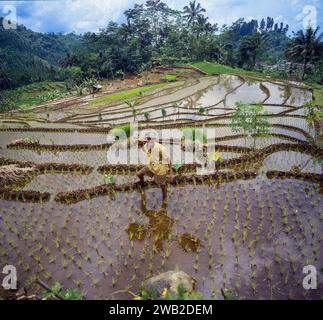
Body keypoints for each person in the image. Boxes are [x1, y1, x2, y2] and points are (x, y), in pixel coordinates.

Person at [137, 133, 174, 203]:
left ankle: (165, 198)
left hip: (160, 169)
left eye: (143, 142)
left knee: (162, 185)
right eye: (142, 142)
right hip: (150, 166)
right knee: (139, 174)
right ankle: (142, 185)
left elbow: (168, 160)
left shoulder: (160, 148)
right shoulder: (146, 146)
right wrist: (141, 144)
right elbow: (144, 149)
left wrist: (171, 173)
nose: (143, 143)